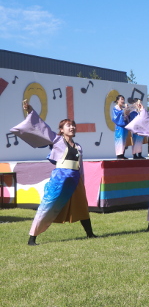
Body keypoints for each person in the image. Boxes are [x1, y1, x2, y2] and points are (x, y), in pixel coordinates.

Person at [11, 100, 97, 245]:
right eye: (68, 125)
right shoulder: (56, 140)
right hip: (60, 179)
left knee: (82, 206)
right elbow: (41, 126)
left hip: (75, 179)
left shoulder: (78, 146)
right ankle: (32, 238)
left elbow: (80, 166)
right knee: (48, 205)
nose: (72, 127)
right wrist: (30, 111)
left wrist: (82, 180)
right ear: (62, 129)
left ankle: (90, 234)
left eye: (73, 125)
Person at [112, 95, 131, 159]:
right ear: (118, 100)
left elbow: (126, 116)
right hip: (119, 126)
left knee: (124, 140)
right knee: (119, 140)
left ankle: (122, 154)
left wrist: (127, 111)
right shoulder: (115, 108)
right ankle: (119, 155)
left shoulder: (122, 108)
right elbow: (116, 117)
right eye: (121, 99)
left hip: (124, 126)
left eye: (123, 99)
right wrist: (124, 110)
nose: (123, 101)